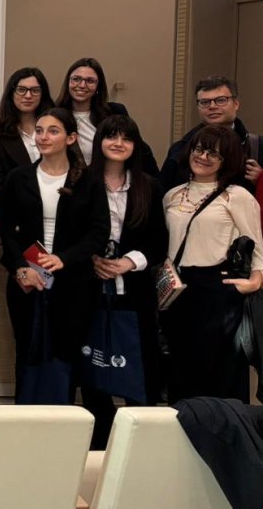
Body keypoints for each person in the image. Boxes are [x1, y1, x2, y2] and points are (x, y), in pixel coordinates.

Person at [0, 109, 109, 404]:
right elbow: (7, 230)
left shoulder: (88, 180)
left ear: (71, 138)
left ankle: (63, 419)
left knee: (67, 351)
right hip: (27, 278)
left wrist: (64, 258)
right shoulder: (18, 177)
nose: (43, 137)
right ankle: (25, 418)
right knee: (27, 348)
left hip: (73, 280)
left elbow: (99, 232)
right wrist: (20, 268)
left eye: (53, 131)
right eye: (39, 130)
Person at [79, 115, 167, 448]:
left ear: (135, 145)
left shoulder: (149, 186)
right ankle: (98, 448)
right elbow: (71, 234)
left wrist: (129, 262)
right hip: (90, 287)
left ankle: (141, 446)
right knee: (94, 367)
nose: (118, 143)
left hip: (135, 290)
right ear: (99, 141)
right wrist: (92, 259)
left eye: (126, 138)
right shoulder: (81, 182)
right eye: (111, 136)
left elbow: (159, 240)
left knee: (140, 367)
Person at [161, 124, 263, 403]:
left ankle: (224, 428)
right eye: (199, 149)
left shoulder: (237, 196)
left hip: (218, 290)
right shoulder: (172, 195)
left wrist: (254, 281)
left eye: (214, 154)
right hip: (177, 291)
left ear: (227, 160)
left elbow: (257, 243)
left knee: (220, 376)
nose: (203, 157)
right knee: (180, 372)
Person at [161, 75, 262, 191]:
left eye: (221, 100)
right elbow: (163, 193)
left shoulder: (257, 147)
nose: (212, 106)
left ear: (236, 104)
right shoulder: (181, 148)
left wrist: (260, 181)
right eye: (205, 102)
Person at [0, 67, 52, 186]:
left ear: (43, 94)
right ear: (11, 93)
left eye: (35, 90)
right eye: (21, 90)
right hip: (15, 195)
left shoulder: (57, 127)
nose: (28, 95)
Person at [54, 58, 129, 164]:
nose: (82, 85)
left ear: (98, 86)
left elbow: (139, 150)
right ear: (68, 82)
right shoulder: (53, 116)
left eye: (90, 81)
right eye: (76, 79)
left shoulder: (115, 112)